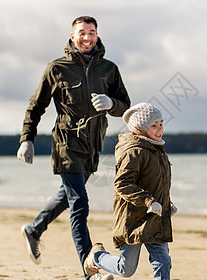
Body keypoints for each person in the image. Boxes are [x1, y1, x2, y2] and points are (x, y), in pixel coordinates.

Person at [17, 16, 130, 280]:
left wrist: (111, 104)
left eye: (91, 33)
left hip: (93, 146)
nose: (87, 38)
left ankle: (34, 229)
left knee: (66, 197)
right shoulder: (57, 68)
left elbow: (126, 105)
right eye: (82, 33)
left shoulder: (109, 69)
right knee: (79, 203)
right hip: (66, 144)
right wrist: (27, 139)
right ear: (72, 36)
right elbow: (36, 106)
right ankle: (91, 270)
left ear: (97, 35)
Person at [83, 102, 177, 280]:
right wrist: (149, 201)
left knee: (163, 262)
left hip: (155, 217)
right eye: (154, 125)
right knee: (126, 269)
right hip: (133, 219)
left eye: (161, 124)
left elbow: (158, 183)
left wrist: (166, 204)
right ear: (140, 129)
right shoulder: (133, 151)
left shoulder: (157, 150)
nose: (160, 130)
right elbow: (122, 183)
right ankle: (96, 258)